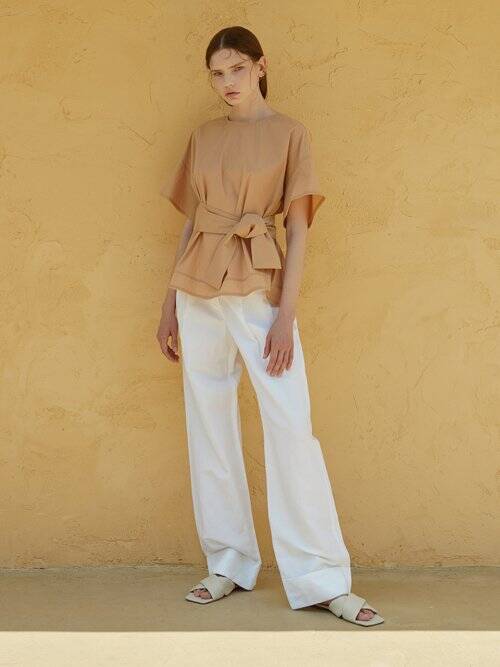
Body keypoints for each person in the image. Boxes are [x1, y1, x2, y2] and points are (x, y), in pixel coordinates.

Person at [156, 26, 384, 627]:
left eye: (236, 68)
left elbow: (299, 228)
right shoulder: (203, 136)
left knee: (290, 425)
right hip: (197, 289)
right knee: (208, 423)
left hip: (259, 286)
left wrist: (286, 314)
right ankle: (228, 562)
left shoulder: (290, 133)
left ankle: (322, 578)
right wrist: (168, 302)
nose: (226, 82)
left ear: (260, 66)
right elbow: (192, 223)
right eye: (216, 73)